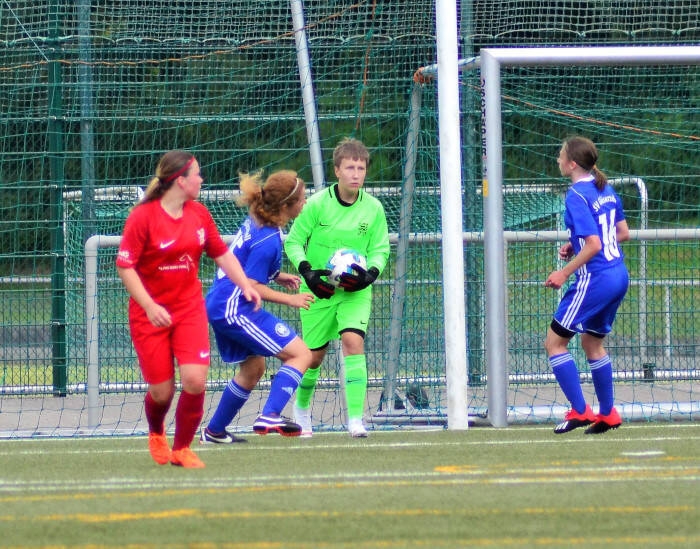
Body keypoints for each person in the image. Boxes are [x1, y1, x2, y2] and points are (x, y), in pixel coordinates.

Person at [116, 150, 261, 468]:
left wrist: (245, 285)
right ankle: (157, 432)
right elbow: (125, 267)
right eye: (197, 174)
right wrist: (149, 305)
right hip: (149, 314)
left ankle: (182, 449)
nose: (202, 179)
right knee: (162, 393)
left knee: (195, 380)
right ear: (180, 181)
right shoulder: (143, 217)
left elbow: (221, 254)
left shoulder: (199, 214)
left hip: (189, 310)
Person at [284, 138, 390, 438]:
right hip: (320, 291)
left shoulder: (373, 209)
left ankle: (356, 419)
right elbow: (293, 242)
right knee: (313, 357)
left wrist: (370, 274)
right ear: (337, 171)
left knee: (353, 342)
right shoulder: (317, 205)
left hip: (354, 292)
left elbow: (380, 249)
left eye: (361, 168)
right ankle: (301, 409)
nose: (356, 174)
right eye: (350, 168)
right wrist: (308, 272)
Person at [200, 170, 314, 443]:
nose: (305, 203)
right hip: (234, 308)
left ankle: (214, 431)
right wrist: (291, 299)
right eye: (301, 199)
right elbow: (251, 285)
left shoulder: (258, 220)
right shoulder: (268, 240)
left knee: (253, 370)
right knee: (301, 355)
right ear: (285, 205)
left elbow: (245, 261)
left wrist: (277, 275)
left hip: (220, 303)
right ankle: (270, 414)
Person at [545, 136, 630, 435]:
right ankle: (607, 414)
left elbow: (594, 244)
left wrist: (564, 273)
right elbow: (622, 232)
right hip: (618, 275)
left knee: (554, 343)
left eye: (560, 155)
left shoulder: (576, 195)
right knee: (592, 344)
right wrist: (575, 243)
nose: (558, 159)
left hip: (596, 279)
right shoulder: (604, 187)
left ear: (572, 164)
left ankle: (580, 410)